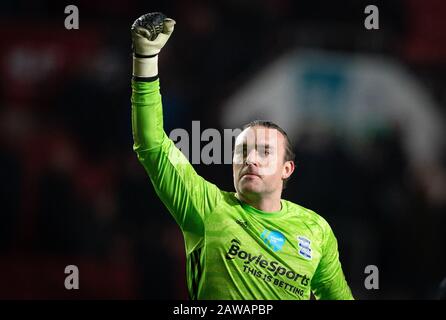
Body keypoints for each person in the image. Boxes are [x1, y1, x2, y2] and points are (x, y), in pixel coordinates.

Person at [130, 13, 353, 300]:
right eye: (242, 152)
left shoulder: (316, 230)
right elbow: (152, 145)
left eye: (265, 152)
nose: (251, 160)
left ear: (287, 169)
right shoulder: (207, 207)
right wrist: (145, 59)